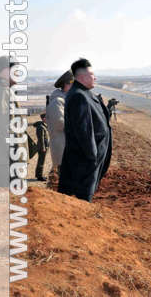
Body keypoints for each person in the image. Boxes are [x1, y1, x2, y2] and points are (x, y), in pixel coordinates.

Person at [58, 58, 113, 201]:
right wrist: (92, 155)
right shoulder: (78, 95)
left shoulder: (84, 92)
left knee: (84, 190)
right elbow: (83, 129)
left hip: (88, 155)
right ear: (82, 76)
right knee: (83, 194)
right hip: (85, 158)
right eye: (92, 74)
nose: (95, 77)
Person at [0, 55, 29, 187]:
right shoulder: (2, 92)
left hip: (2, 156)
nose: (17, 73)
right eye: (15, 70)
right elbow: (4, 127)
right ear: (5, 71)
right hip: (5, 158)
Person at [46, 70, 73, 176]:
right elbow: (60, 124)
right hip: (63, 149)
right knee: (66, 180)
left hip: (68, 148)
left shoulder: (65, 100)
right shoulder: (57, 102)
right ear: (67, 86)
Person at [33, 113, 49, 181]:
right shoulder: (40, 127)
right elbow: (41, 139)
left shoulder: (43, 126)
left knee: (42, 160)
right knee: (41, 161)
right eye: (46, 117)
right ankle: (39, 176)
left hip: (44, 146)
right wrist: (43, 147)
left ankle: (39, 175)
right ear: (43, 118)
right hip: (42, 146)